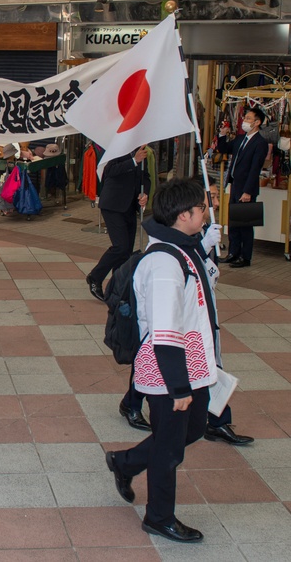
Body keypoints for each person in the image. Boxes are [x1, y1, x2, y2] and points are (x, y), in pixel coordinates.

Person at [105, 178, 219, 544]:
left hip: (190, 361)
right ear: (184, 215)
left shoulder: (181, 247)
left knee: (192, 429)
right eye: (203, 207)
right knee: (169, 448)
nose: (207, 211)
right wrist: (179, 387)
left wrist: (205, 245)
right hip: (170, 367)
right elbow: (166, 331)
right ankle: (159, 517)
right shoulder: (165, 265)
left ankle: (125, 463)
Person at [85, 146, 151, 301]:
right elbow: (109, 171)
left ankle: (117, 287)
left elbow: (145, 177)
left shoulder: (141, 150)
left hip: (130, 206)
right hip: (113, 204)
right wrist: (134, 161)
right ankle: (95, 277)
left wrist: (145, 193)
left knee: (126, 250)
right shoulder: (117, 147)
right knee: (120, 246)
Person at [216, 106, 269, 268]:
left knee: (245, 223)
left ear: (257, 122)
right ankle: (233, 253)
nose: (245, 121)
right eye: (244, 118)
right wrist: (222, 136)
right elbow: (225, 148)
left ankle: (245, 257)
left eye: (248, 119)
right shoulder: (240, 139)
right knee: (234, 222)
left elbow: (254, 169)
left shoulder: (260, 143)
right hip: (235, 185)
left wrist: (247, 191)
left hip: (247, 188)